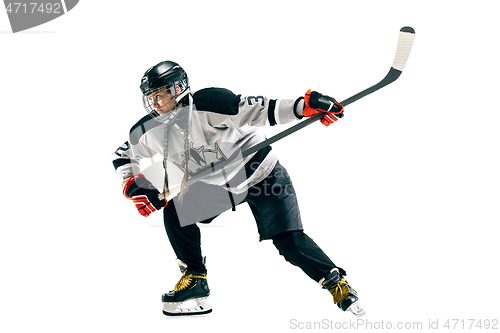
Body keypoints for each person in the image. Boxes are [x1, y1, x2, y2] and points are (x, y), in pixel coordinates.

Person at [112, 60, 365, 317]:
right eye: (151, 97)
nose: (155, 103)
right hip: (219, 187)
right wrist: (136, 186)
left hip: (263, 176)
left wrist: (303, 106)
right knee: (176, 213)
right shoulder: (148, 129)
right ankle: (196, 281)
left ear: (178, 88)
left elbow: (263, 109)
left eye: (160, 94)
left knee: (289, 241)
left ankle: (336, 283)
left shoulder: (211, 103)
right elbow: (123, 156)